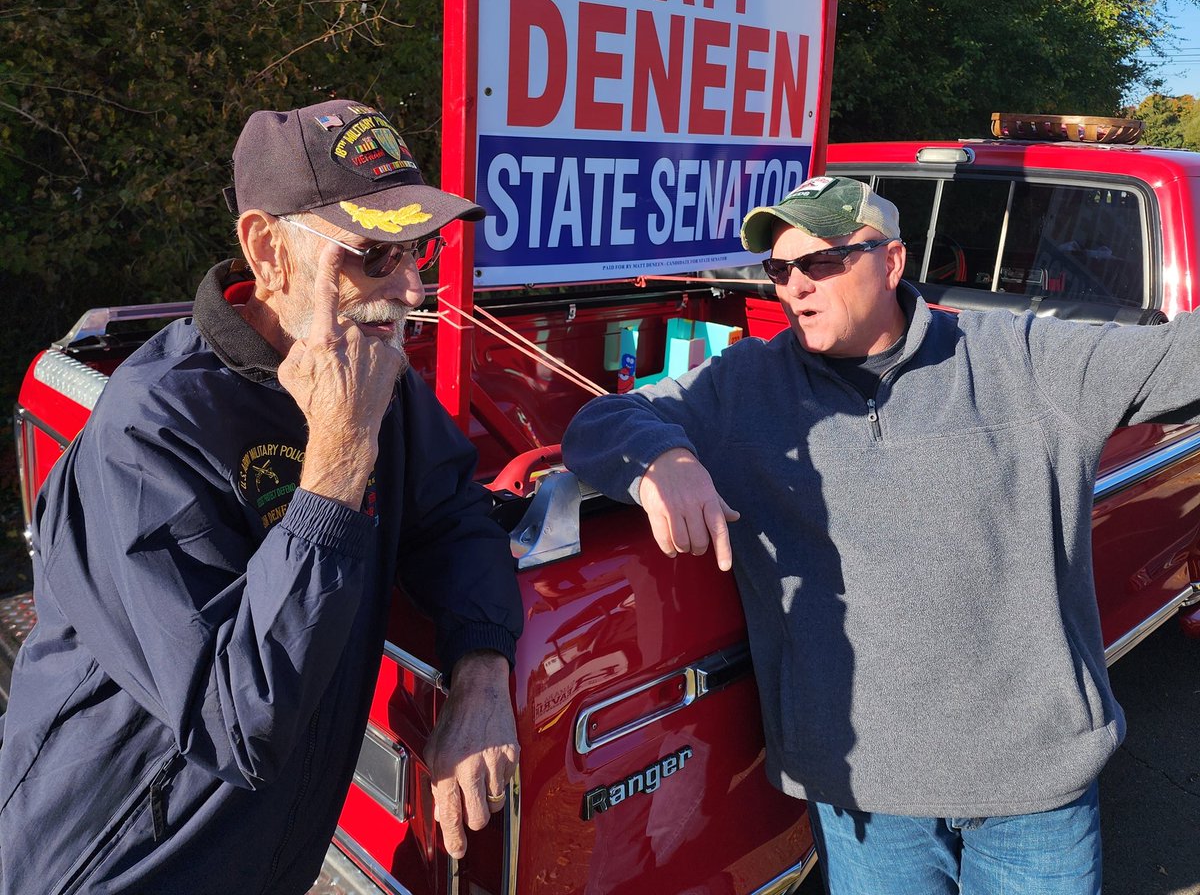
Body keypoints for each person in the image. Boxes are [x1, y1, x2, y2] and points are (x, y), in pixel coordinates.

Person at [562, 173, 1200, 895]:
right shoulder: (745, 384)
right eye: (779, 270)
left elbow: (1184, 355)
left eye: (822, 263)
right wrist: (661, 460)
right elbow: (599, 422)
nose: (795, 287)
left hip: (1032, 789)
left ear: (891, 263)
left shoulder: (1022, 360)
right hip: (865, 796)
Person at [0, 99, 523, 895]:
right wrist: (339, 457)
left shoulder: (376, 369)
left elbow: (452, 513)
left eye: (423, 248)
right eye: (375, 254)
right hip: (115, 863)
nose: (413, 289)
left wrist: (482, 670)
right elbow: (240, 722)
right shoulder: (151, 432)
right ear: (268, 248)